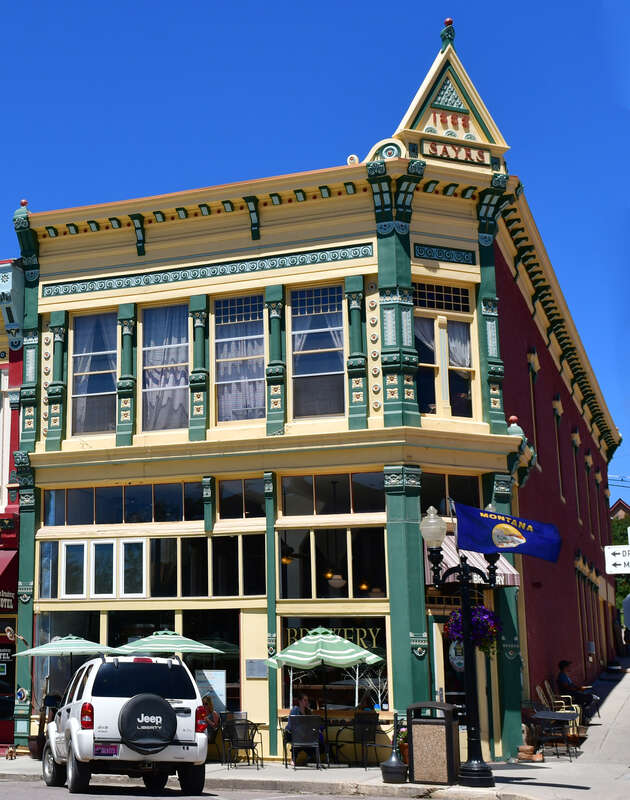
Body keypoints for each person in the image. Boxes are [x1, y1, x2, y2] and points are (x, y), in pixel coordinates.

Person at [285, 692, 319, 766]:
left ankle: (311, 756)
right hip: (293, 733)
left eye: (307, 700)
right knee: (300, 738)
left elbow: (311, 723)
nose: (307, 702)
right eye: (305, 700)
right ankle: (294, 758)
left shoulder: (308, 711)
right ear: (300, 701)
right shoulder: (295, 710)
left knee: (317, 736)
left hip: (304, 734)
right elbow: (293, 725)